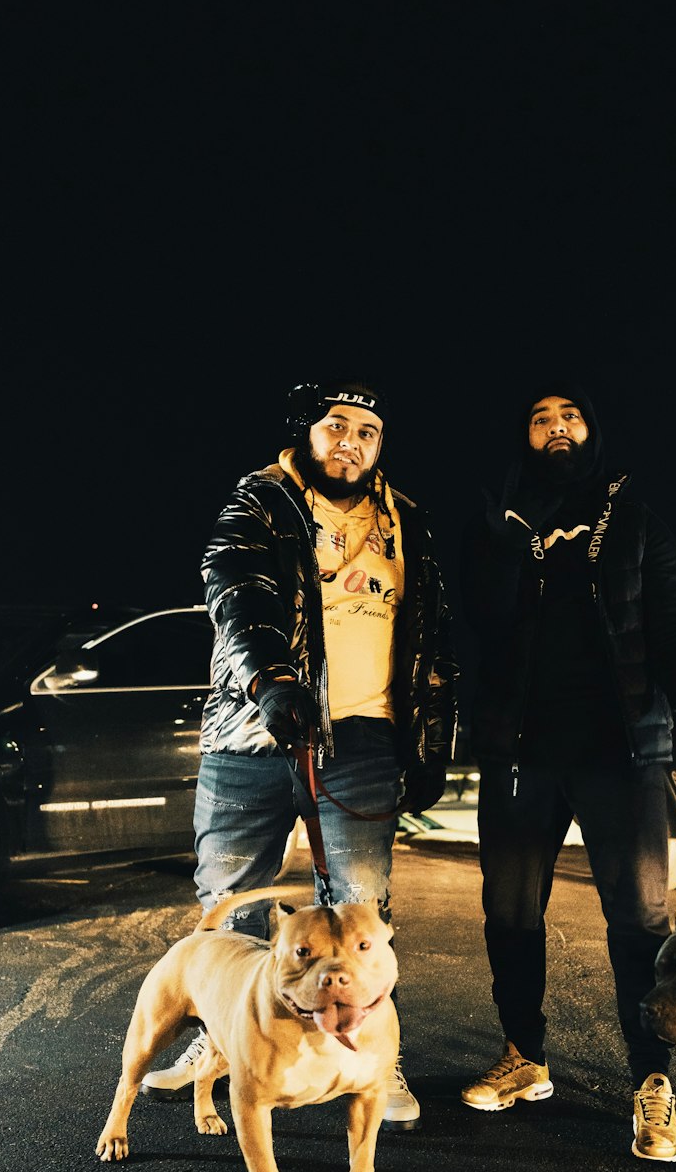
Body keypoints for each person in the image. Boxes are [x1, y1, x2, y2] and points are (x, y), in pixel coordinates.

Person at [141, 377, 459, 1130]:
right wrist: (272, 678)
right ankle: (220, 1044)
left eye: (367, 431)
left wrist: (432, 740)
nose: (350, 441)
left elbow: (433, 638)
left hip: (365, 737)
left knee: (360, 907)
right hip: (252, 730)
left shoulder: (408, 520)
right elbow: (236, 589)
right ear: (307, 432)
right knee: (227, 898)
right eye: (336, 426)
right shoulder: (262, 499)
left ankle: (372, 1051)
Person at [458, 382, 676, 1161]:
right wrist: (505, 552)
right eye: (540, 418)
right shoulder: (498, 522)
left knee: (640, 923)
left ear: (593, 430)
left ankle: (652, 1083)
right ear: (523, 436)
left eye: (569, 415)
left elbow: (672, 639)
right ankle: (524, 1057)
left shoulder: (639, 523)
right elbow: (476, 626)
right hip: (521, 751)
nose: (556, 427)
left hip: (621, 752)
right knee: (511, 915)